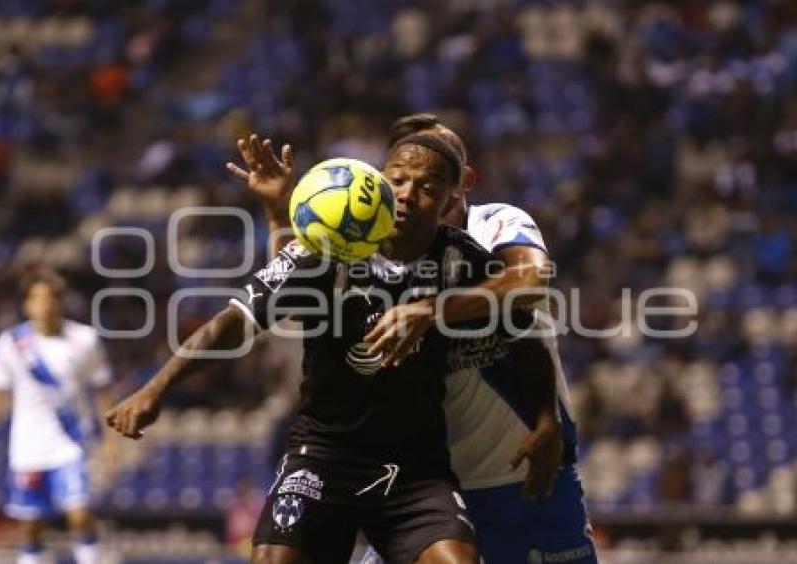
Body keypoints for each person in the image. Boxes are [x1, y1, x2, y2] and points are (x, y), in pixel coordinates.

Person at [106, 134, 531, 564]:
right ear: (379, 182)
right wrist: (155, 388)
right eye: (398, 179)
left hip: (416, 471)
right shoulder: (323, 250)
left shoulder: (464, 262)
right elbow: (234, 322)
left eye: (427, 184)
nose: (407, 193)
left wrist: (547, 419)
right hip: (325, 458)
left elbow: (524, 328)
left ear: (451, 196)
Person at [234, 115, 597, 564]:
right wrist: (278, 213)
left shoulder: (496, 223)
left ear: (461, 179)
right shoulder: (370, 240)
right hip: (431, 483)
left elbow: (532, 280)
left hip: (524, 467)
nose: (413, 185)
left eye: (436, 167)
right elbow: (303, 295)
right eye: (402, 173)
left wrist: (433, 310)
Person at [0, 267, 116, 564]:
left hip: (71, 441)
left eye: (51, 298)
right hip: (29, 446)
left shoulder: (85, 340)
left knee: (80, 513)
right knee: (31, 526)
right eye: (37, 299)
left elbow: (103, 391)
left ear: (60, 302)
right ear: (27, 304)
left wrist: (111, 442)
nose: (45, 305)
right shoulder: (12, 343)